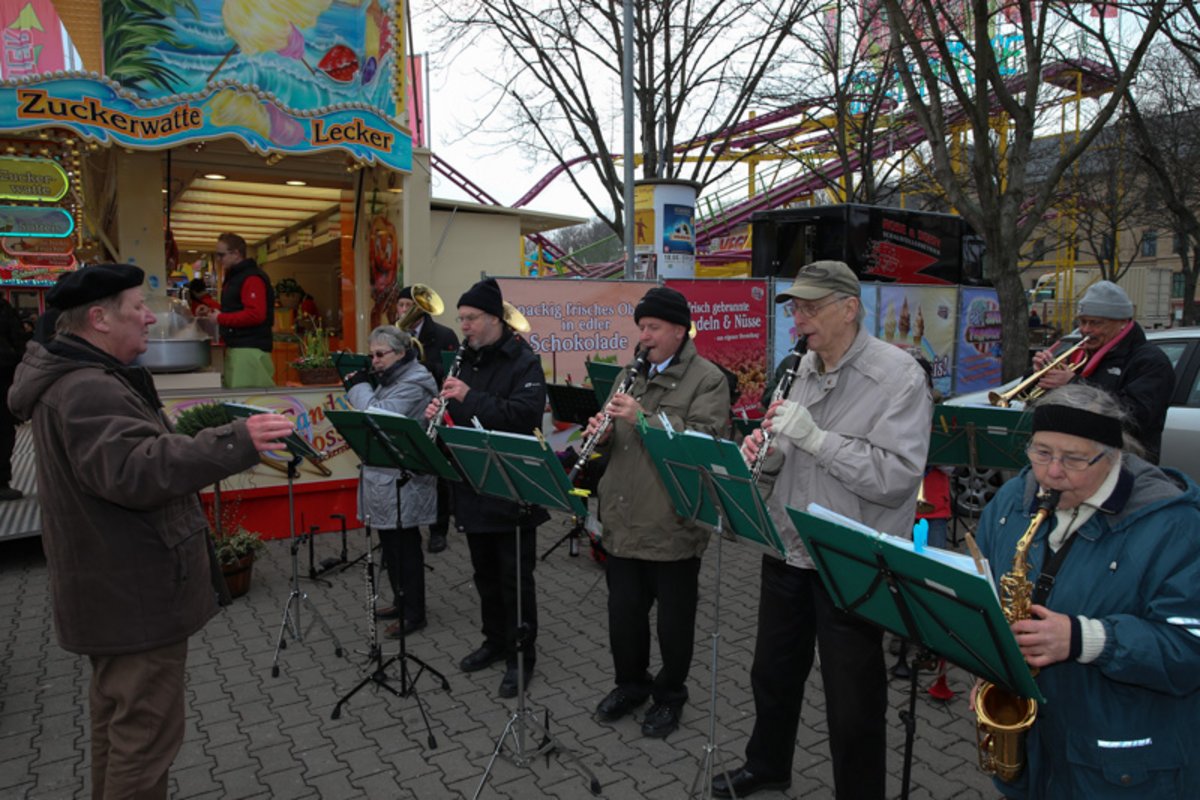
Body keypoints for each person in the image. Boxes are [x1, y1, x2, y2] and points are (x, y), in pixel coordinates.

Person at [6, 263, 295, 800]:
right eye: (137, 307)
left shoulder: (82, 378)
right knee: (143, 744)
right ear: (99, 318)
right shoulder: (87, 388)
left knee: (118, 731)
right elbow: (135, 470)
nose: (148, 317)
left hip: (113, 590)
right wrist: (235, 440)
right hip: (131, 595)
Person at [715, 261, 932, 799]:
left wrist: (817, 440)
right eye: (795, 308)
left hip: (850, 556)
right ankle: (768, 765)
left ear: (849, 308)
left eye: (811, 308)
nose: (799, 319)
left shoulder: (899, 376)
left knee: (852, 696)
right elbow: (787, 456)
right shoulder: (797, 367)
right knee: (772, 672)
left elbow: (896, 478)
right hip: (787, 546)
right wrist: (763, 456)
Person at [971, 383, 1200, 797]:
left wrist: (1086, 639)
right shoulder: (1011, 501)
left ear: (1113, 455)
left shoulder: (1176, 527)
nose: (1052, 473)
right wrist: (991, 666)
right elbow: (985, 599)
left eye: (1074, 459)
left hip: (1120, 768)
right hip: (1036, 753)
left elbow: (1189, 648)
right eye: (1041, 452)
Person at [584, 286, 731, 739]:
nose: (644, 336)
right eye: (641, 327)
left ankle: (669, 696)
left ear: (679, 331)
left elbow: (704, 442)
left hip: (671, 522)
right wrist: (602, 435)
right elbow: (616, 440)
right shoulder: (629, 372)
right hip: (622, 518)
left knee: (673, 625)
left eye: (653, 327)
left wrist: (642, 417)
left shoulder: (708, 379)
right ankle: (631, 685)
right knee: (624, 617)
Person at [423, 277, 547, 698]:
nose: (465, 327)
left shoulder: (524, 361)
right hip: (474, 484)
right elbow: (463, 418)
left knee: (515, 580)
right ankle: (494, 641)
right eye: (461, 319)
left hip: (512, 488)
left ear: (495, 318)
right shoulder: (465, 359)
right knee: (484, 575)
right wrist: (441, 416)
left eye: (472, 318)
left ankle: (521, 655)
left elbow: (523, 416)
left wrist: (467, 397)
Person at [345, 326, 438, 637]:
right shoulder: (393, 377)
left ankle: (415, 613)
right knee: (390, 545)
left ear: (400, 353)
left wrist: (359, 387)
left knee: (405, 548)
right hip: (387, 477)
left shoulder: (415, 381)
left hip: (406, 479)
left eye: (380, 355)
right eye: (371, 355)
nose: (374, 361)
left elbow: (379, 415)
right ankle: (401, 601)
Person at [1033, 280, 1173, 463]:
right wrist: (1038, 376)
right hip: (1072, 458)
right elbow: (1036, 404)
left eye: (1095, 323)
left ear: (1122, 322)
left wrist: (1074, 385)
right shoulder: (1078, 352)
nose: (1085, 330)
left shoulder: (1151, 361)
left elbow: (1134, 418)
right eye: (1082, 322)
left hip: (1125, 462)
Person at [396, 285, 460, 553]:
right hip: (403, 409)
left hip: (433, 410)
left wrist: (423, 367)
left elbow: (454, 370)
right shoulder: (393, 335)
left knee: (437, 472)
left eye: (408, 305)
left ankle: (438, 530)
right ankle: (403, 528)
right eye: (400, 305)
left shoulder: (444, 335)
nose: (403, 310)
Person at [196, 233, 276, 388]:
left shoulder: (251, 278)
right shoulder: (238, 276)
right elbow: (236, 308)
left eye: (221, 255)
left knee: (246, 398)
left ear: (236, 254)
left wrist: (220, 318)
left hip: (248, 350)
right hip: (242, 349)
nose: (218, 259)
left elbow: (255, 314)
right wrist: (212, 311)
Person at [0, 293, 26, 500]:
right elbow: (19, 343)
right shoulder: (4, 309)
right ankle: (1, 482)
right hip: (3, 377)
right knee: (3, 431)